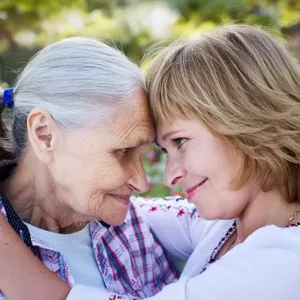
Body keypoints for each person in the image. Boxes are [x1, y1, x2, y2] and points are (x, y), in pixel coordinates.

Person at [1, 24, 300, 300]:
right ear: (44, 135)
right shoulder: (226, 227)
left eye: (180, 141)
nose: (149, 182)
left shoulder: (285, 261)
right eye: (122, 150)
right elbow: (156, 210)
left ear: (245, 121)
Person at [0, 37, 179, 299]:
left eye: (143, 153)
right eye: (122, 151)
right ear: (44, 135)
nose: (142, 184)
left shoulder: (132, 228)